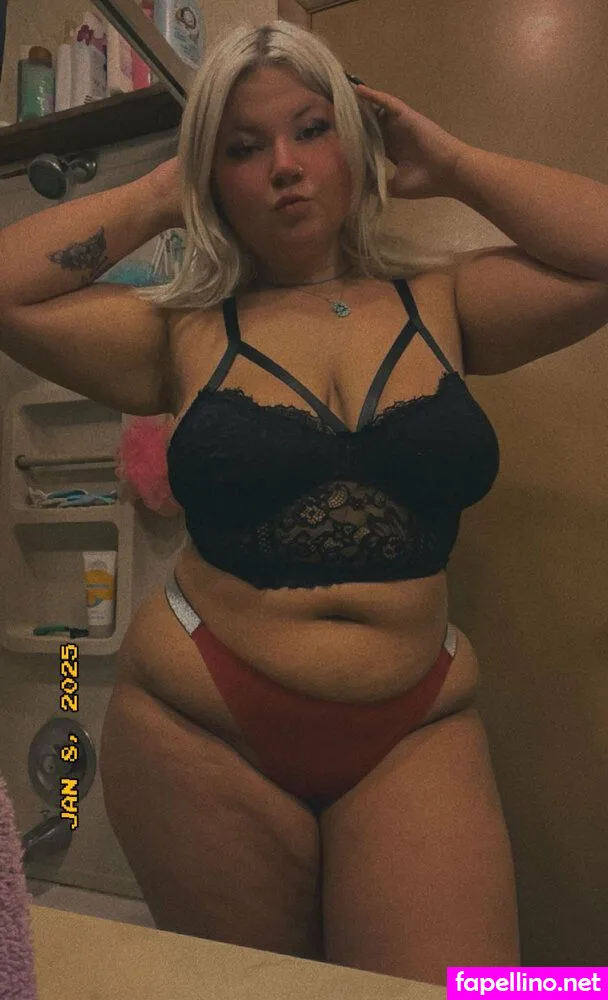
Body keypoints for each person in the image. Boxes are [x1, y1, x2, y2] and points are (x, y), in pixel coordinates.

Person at [3, 15, 607, 987]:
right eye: (242, 147)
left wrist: (453, 165)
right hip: (201, 731)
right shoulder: (182, 331)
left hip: (415, 727)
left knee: (469, 988)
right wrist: (163, 189)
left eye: (311, 129)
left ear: (355, 143)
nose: (282, 165)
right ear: (214, 176)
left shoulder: (443, 301)